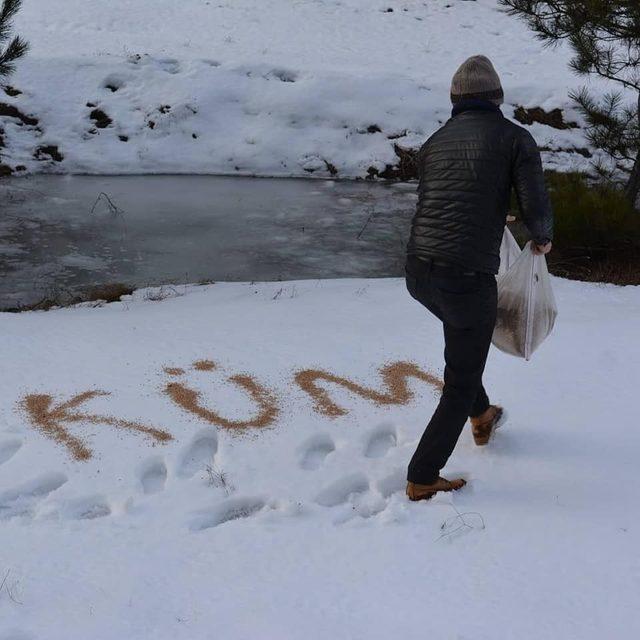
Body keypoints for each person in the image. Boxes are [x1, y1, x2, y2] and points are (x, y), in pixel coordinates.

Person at [405, 55, 553, 501]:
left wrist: (492, 214)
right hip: (465, 275)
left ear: (455, 100)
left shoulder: (435, 141)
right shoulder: (513, 138)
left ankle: (483, 414)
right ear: (497, 98)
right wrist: (542, 237)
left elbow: (445, 199)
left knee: (463, 347)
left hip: (417, 272)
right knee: (461, 377)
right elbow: (535, 201)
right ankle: (423, 476)